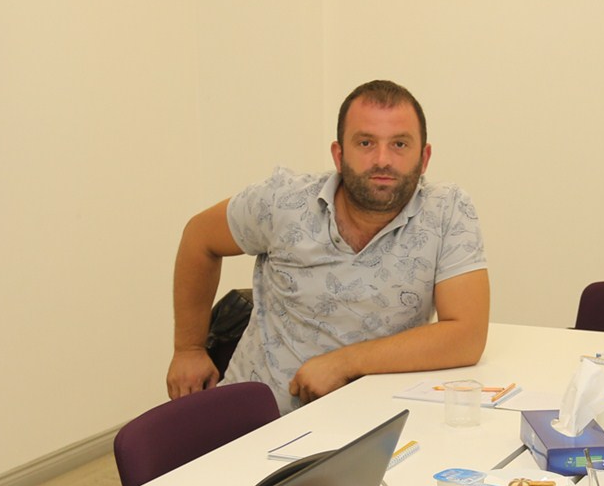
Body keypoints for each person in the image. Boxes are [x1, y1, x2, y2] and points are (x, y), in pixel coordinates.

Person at [166, 79, 490, 412]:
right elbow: (199, 237)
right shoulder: (282, 201)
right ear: (339, 154)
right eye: (365, 142)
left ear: (424, 158)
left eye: (399, 144)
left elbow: (465, 336)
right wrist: (188, 349)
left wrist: (344, 363)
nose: (382, 159)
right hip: (258, 417)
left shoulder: (446, 210)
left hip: (371, 420)